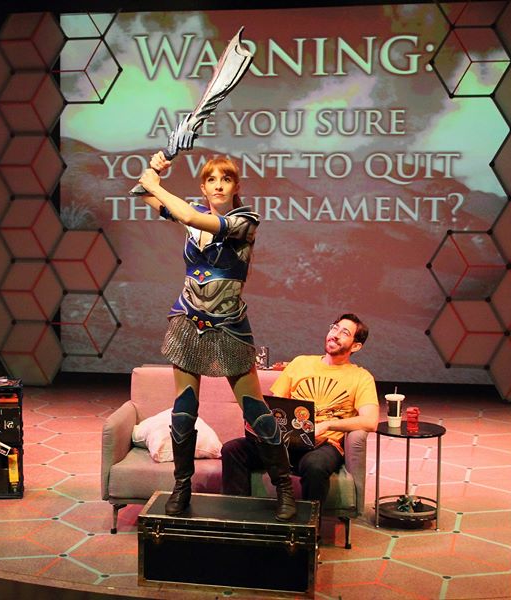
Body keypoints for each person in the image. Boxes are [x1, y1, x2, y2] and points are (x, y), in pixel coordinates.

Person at [138, 152, 296, 521]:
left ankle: (284, 488)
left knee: (257, 412)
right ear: (203, 186)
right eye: (211, 179)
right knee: (183, 412)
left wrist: (156, 186)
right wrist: (154, 171)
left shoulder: (245, 221)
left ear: (236, 186)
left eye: (226, 179)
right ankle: (182, 486)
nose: (219, 185)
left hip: (229, 327)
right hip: (188, 321)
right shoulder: (191, 213)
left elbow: (191, 217)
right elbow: (144, 194)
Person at [221, 314, 379, 509]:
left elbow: (370, 421)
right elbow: (275, 405)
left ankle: (309, 525)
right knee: (232, 450)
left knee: (315, 466)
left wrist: (327, 425)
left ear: (356, 346)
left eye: (345, 332)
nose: (335, 334)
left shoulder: (361, 377)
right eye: (334, 328)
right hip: (284, 440)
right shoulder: (300, 363)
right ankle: (239, 515)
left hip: (322, 445)